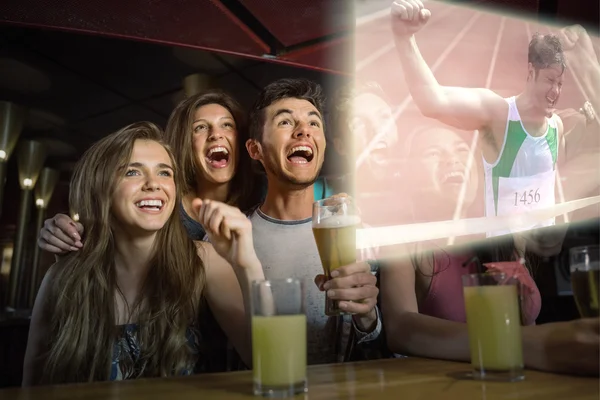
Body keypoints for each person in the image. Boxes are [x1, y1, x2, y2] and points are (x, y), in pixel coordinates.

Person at [23, 122, 264, 385]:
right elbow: (32, 385)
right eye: (132, 172)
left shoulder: (203, 261)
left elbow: (267, 362)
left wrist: (247, 264)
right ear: (100, 187)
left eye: (164, 173)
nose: (153, 184)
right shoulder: (63, 276)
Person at [380, 124, 599, 376]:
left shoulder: (504, 233)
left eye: (462, 150)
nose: (452, 160)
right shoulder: (402, 238)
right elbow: (400, 329)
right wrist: (516, 342)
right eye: (433, 153)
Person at [390, 0, 566, 239]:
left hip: (548, 261)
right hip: (505, 262)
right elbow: (433, 100)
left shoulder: (557, 126)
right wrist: (404, 39)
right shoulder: (499, 113)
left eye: (559, 83)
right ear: (531, 72)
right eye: (549, 80)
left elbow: (553, 190)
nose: (555, 92)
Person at [244, 78, 383, 364]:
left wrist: (368, 317)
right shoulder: (229, 243)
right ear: (255, 149)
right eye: (285, 122)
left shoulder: (363, 238)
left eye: (314, 123)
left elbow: (383, 353)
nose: (303, 131)